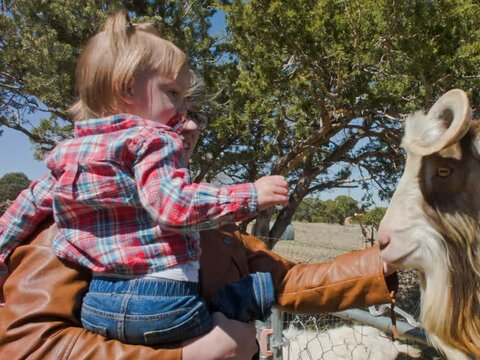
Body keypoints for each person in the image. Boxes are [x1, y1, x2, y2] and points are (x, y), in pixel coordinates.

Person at [0, 9, 289, 346]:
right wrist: (250, 195)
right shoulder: (156, 137)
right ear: (126, 88)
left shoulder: (70, 152)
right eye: (173, 94)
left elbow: (29, 204)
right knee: (255, 290)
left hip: (98, 307)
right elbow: (173, 206)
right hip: (165, 302)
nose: (182, 111)